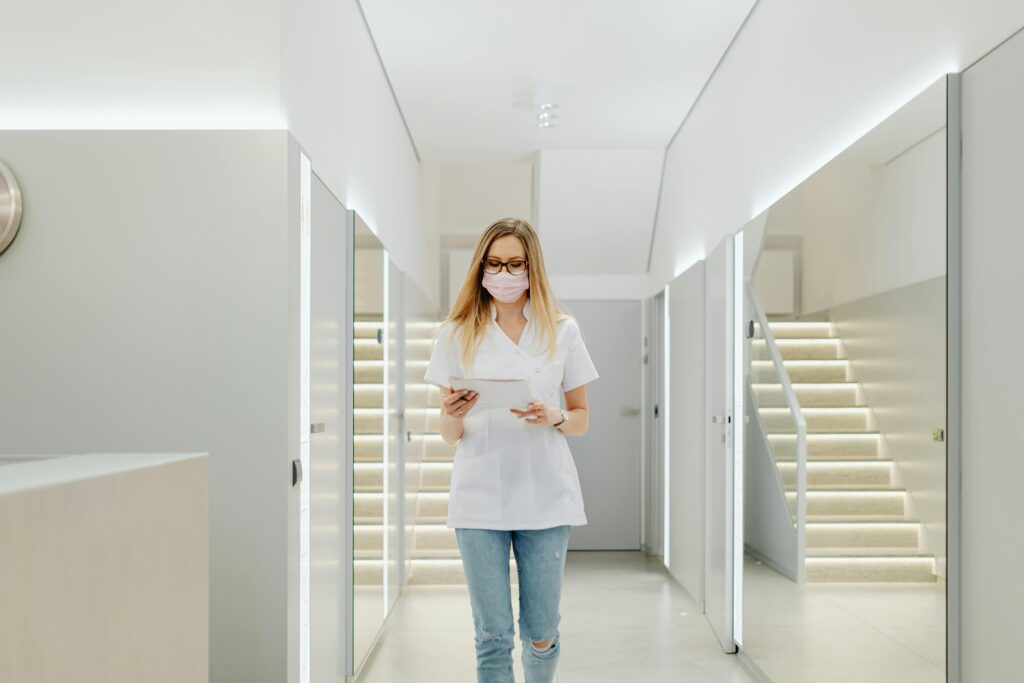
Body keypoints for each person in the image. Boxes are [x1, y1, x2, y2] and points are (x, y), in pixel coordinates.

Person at [424, 217, 599, 683]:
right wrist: (453, 413)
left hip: (546, 496)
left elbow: (581, 418)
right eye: (494, 263)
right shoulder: (456, 333)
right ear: (480, 267)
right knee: (492, 635)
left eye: (515, 264)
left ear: (531, 267)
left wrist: (554, 415)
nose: (503, 274)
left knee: (541, 633)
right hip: (479, 496)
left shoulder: (562, 331)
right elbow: (449, 434)